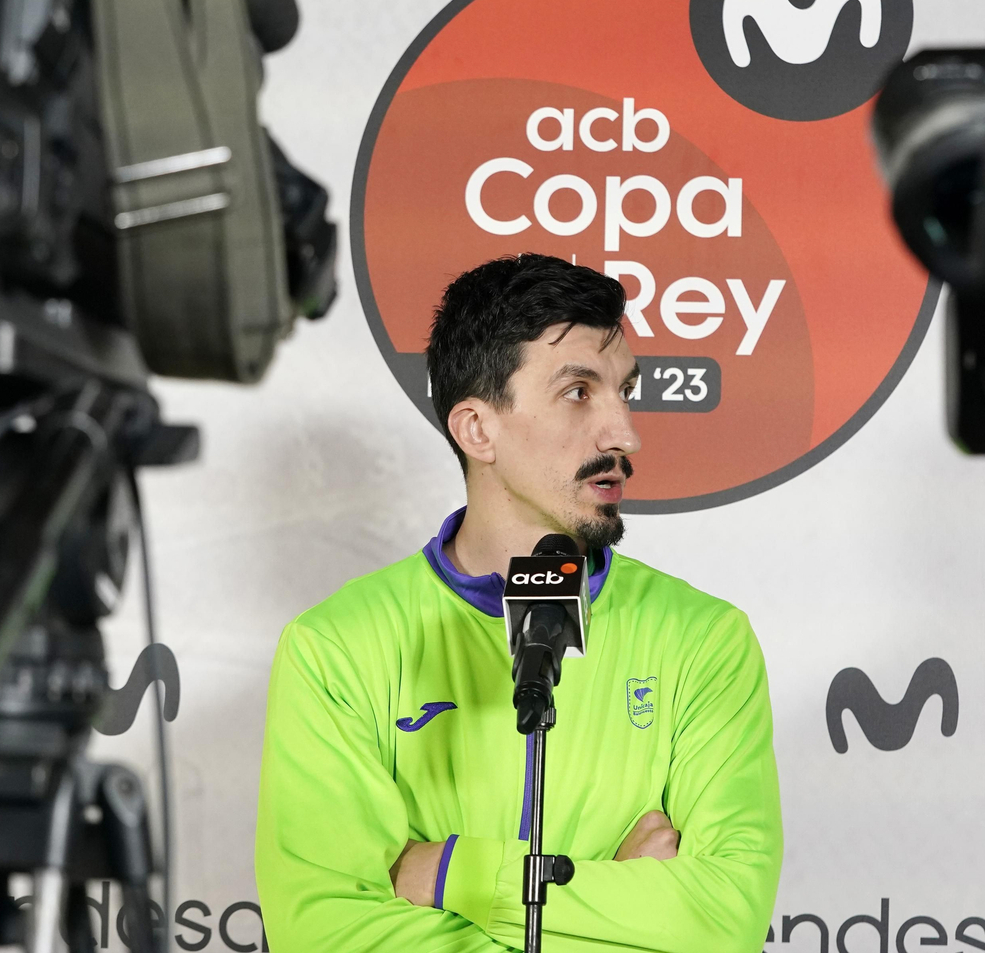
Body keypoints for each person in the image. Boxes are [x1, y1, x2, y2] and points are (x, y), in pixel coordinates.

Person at [255, 253, 783, 951]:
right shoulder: (336, 648)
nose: (625, 433)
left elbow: (723, 919)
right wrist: (608, 899)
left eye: (625, 391)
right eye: (578, 393)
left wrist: (448, 872)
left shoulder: (705, 640)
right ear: (477, 429)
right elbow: (329, 933)